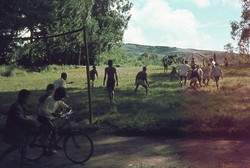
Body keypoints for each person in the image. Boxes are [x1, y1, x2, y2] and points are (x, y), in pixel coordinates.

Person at [2, 89, 37, 166]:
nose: (28, 100)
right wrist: (30, 122)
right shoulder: (16, 106)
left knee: (19, 145)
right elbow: (19, 118)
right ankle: (22, 160)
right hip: (15, 130)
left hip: (18, 129)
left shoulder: (20, 105)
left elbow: (24, 114)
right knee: (19, 145)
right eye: (27, 98)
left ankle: (3, 156)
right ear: (21, 97)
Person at [37, 87, 71, 154]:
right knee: (52, 130)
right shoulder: (49, 99)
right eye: (61, 97)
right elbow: (44, 110)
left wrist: (67, 107)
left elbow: (62, 103)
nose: (61, 99)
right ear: (57, 95)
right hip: (43, 117)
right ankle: (49, 148)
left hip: (49, 117)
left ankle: (53, 144)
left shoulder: (58, 100)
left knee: (55, 129)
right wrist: (52, 113)